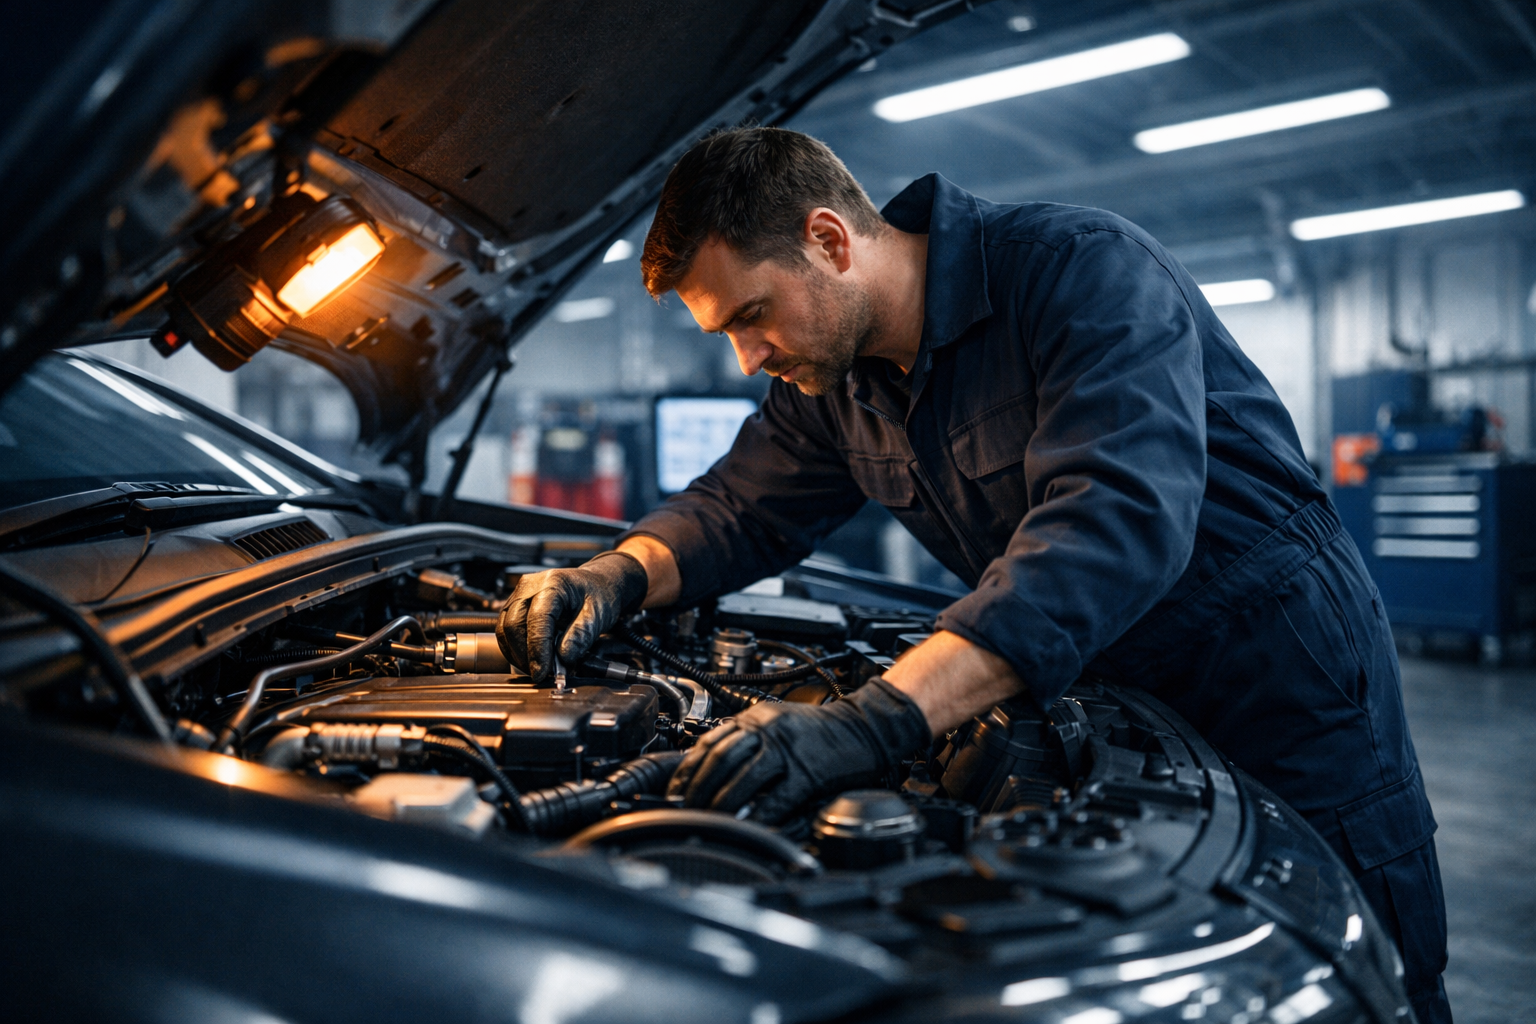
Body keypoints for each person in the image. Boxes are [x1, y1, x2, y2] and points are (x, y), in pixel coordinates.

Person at [496, 127, 1451, 1023]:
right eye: (728, 335)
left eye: (752, 315)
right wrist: (611, 577)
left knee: (1359, 963)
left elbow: (1111, 524)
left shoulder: (1080, 272)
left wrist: (870, 722)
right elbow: (740, 505)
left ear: (829, 240)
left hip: (1277, 676)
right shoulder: (840, 381)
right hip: (1108, 680)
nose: (750, 357)